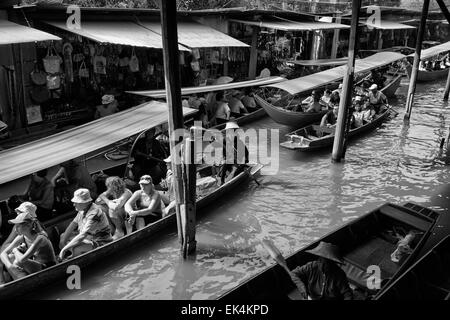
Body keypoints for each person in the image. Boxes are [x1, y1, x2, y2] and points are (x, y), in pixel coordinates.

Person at [0, 210, 56, 281]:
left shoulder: (40, 238)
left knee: (17, 260)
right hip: (36, 267)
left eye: (18, 226)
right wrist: (10, 266)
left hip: (48, 268)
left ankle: (24, 282)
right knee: (10, 257)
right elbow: (2, 254)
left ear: (28, 225)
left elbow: (22, 260)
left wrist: (15, 250)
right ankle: (22, 282)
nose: (15, 229)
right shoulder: (22, 237)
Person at [59, 189, 112, 260]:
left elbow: (83, 235)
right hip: (89, 238)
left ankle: (74, 257)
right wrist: (63, 241)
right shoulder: (82, 210)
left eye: (76, 202)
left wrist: (64, 249)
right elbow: (73, 225)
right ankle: (73, 255)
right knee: (63, 236)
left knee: (77, 249)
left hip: (101, 242)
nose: (74, 204)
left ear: (85, 203)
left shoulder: (94, 213)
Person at [288, 241, 353, 300]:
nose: (323, 264)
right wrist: (301, 287)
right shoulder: (312, 266)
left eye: (327, 262)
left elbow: (347, 294)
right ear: (319, 259)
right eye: (322, 260)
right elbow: (293, 273)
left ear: (333, 262)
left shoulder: (339, 274)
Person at [0, 202, 44, 284]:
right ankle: (5, 282)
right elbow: (6, 247)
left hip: (37, 262)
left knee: (12, 258)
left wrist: (15, 252)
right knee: (7, 257)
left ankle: (20, 281)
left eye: (20, 213)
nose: (18, 215)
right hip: (27, 256)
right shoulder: (19, 230)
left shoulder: (39, 233)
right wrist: (10, 266)